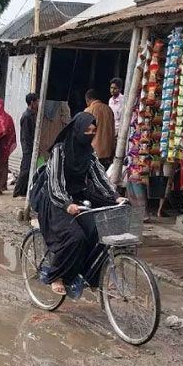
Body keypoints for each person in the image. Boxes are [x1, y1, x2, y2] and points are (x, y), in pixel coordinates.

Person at [34, 112, 128, 296]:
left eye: (93, 131)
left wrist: (115, 197)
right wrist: (66, 204)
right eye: (87, 130)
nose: (90, 134)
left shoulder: (89, 154)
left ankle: (89, 275)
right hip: (55, 201)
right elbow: (55, 183)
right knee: (75, 237)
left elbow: (100, 177)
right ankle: (56, 275)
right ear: (77, 130)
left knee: (99, 231)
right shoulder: (60, 151)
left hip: (77, 199)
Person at [13, 92, 39, 197]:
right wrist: (31, 148)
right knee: (25, 170)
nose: (38, 103)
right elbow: (27, 136)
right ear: (32, 103)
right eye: (37, 101)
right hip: (28, 148)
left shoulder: (32, 115)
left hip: (29, 147)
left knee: (28, 170)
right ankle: (18, 191)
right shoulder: (27, 116)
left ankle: (23, 191)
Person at [84, 89, 116, 167]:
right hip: (108, 152)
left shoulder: (89, 110)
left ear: (88, 100)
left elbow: (85, 134)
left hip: (93, 152)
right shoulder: (109, 110)